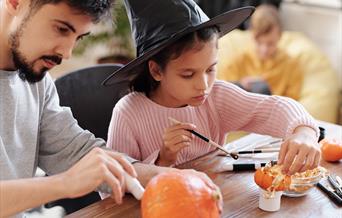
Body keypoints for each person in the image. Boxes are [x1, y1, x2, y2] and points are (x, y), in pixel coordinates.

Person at [0, 0, 220, 217]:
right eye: (61, 29)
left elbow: (76, 152)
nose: (67, 53)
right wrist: (65, 183)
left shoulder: (38, 82)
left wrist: (168, 177)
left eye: (78, 37)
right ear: (16, 2)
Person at [104, 0, 321, 176]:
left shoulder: (217, 97)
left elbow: (275, 108)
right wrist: (163, 159)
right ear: (156, 71)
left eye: (210, 69)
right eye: (188, 75)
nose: (204, 85)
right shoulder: (128, 114)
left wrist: (304, 134)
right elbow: (114, 187)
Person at [217, 4, 303, 100]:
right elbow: (222, 97)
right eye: (259, 43)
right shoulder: (237, 61)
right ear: (251, 35)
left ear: (280, 36)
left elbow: (294, 103)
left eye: (270, 44)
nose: (264, 50)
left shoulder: (291, 65)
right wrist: (241, 85)